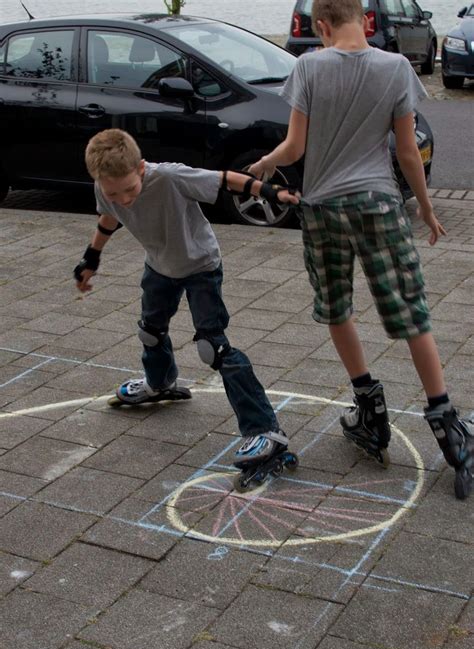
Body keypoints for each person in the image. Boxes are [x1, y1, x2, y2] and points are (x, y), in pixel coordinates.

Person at [247, 0, 473, 498]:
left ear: (322, 26)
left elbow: (295, 149)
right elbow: (407, 149)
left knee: (336, 306)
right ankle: (448, 427)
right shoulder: (395, 68)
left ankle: (369, 411)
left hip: (323, 208)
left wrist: (262, 165)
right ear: (365, 21)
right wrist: (429, 210)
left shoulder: (307, 66)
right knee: (410, 312)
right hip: (379, 204)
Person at [74, 128, 300, 473]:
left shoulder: (169, 177)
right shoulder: (107, 188)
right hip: (160, 264)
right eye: (113, 193)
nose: (123, 199)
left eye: (129, 190)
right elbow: (109, 217)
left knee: (213, 347)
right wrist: (92, 257)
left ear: (142, 169)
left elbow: (224, 179)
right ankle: (160, 383)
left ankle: (265, 430)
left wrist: (270, 191)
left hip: (200, 265)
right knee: (151, 331)